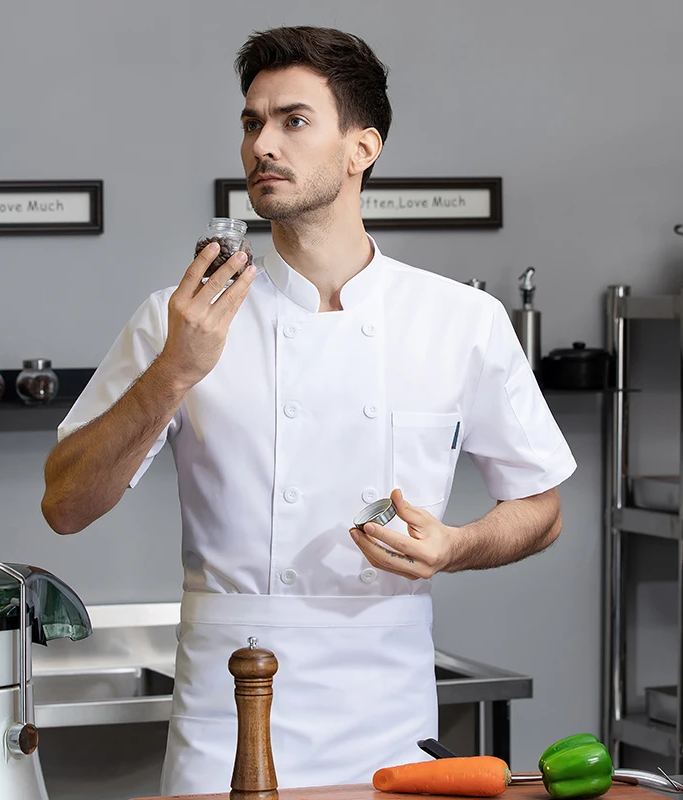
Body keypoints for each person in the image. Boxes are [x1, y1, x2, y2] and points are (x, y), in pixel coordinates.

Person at [41, 25, 576, 795]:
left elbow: (543, 506)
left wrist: (454, 547)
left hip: (387, 710)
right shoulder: (181, 317)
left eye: (293, 121)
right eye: (252, 123)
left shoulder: (460, 320)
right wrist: (175, 372)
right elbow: (64, 504)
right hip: (225, 711)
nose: (264, 144)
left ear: (363, 148)